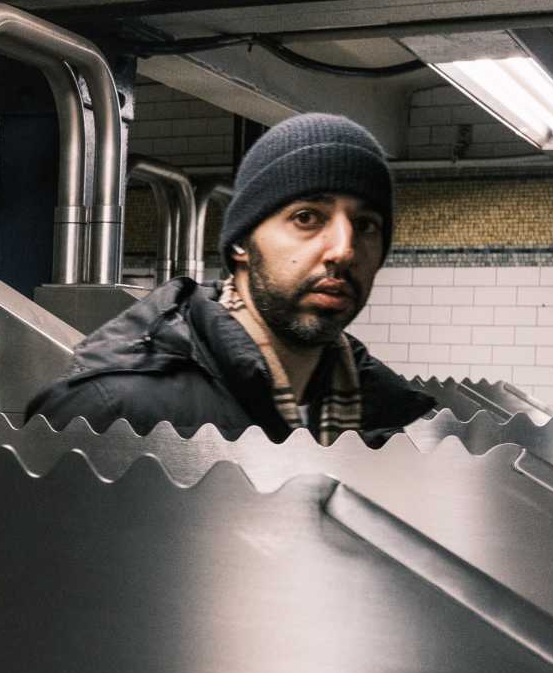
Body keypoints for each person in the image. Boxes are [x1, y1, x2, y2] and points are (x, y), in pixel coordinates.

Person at [27, 113, 435, 443]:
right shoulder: (111, 412)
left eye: (365, 225)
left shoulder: (385, 423)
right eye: (307, 218)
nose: (344, 250)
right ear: (241, 243)